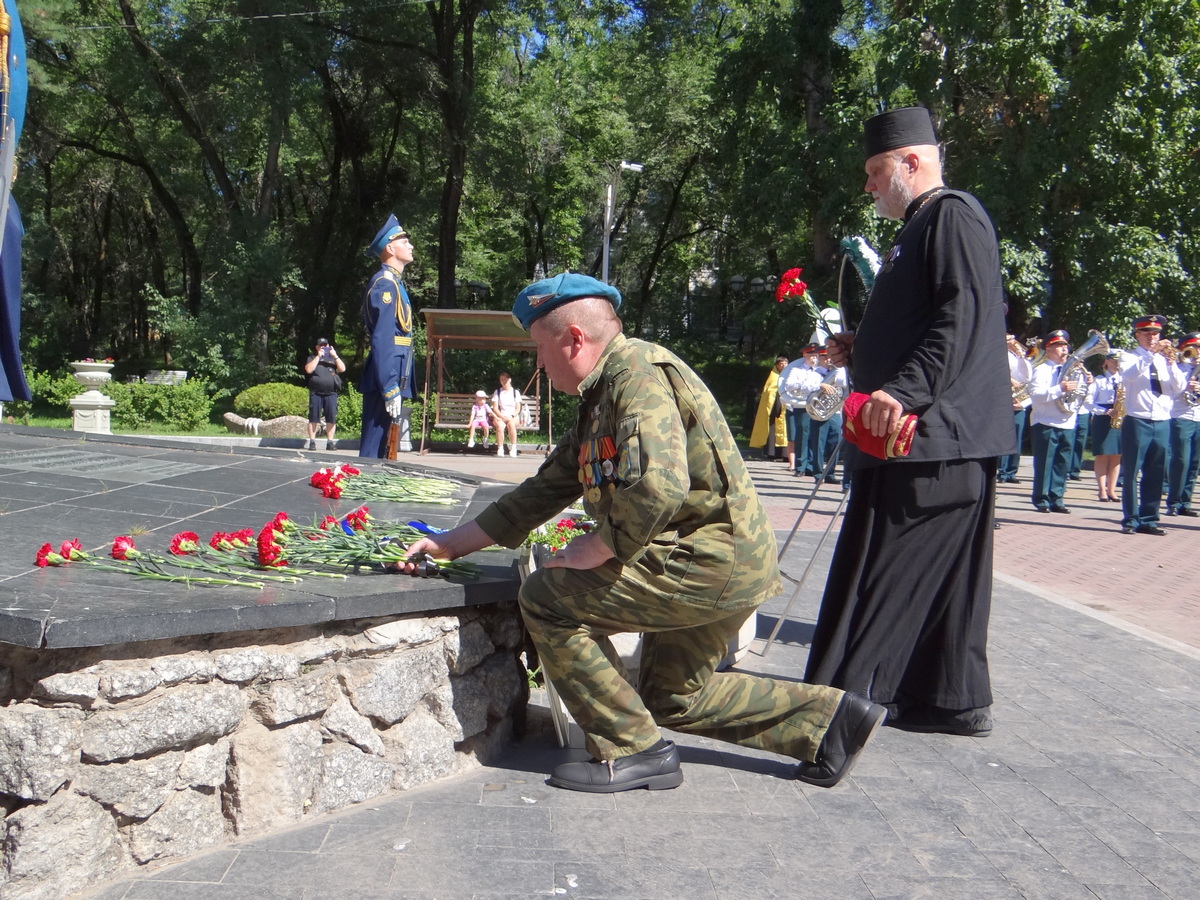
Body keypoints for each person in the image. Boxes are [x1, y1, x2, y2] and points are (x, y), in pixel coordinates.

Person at [399, 272, 886, 793]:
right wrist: (453, 543)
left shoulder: (637, 378)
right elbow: (548, 487)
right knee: (674, 697)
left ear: (574, 339)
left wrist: (601, 545)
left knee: (547, 599)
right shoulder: (607, 390)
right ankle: (830, 723)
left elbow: (661, 484)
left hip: (705, 564)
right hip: (717, 561)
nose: (538, 363)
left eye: (540, 348)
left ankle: (635, 750)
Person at [806, 106, 1014, 738]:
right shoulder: (919, 227)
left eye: (875, 171)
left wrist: (901, 391)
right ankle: (951, 699)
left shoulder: (951, 214)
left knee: (888, 576)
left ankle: (844, 710)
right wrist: (861, 345)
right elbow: (924, 320)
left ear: (911, 162)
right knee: (948, 584)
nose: (868, 185)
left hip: (930, 440)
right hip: (926, 439)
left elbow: (962, 318)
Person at [1118, 315, 1187, 534]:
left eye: (1155, 334)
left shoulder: (1165, 360)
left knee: (1157, 472)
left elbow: (1178, 387)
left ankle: (1149, 519)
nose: (1152, 337)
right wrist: (1151, 355)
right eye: (1147, 333)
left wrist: (1172, 364)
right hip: (1137, 419)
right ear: (1137, 335)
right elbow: (1129, 375)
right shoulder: (1128, 357)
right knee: (1131, 472)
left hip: (1162, 420)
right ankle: (1130, 519)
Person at [358, 214, 415, 458]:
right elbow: (382, 339)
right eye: (405, 242)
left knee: (383, 450)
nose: (411, 245)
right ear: (390, 248)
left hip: (395, 370)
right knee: (372, 450)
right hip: (387, 374)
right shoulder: (385, 284)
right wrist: (390, 386)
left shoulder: (396, 283)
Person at [1028, 330, 1083, 514]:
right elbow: (1036, 395)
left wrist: (1087, 384)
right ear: (1048, 348)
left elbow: (1082, 397)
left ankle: (1057, 496)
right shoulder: (1042, 370)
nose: (1064, 349)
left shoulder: (1075, 370)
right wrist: (1059, 389)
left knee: (1062, 462)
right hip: (1046, 422)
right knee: (1044, 462)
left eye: (1065, 345)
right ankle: (1041, 498)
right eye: (1059, 346)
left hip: (1067, 421)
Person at [1166, 332, 1200, 517]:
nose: (1198, 351)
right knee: (1181, 460)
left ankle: (1185, 502)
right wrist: (1186, 386)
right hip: (1181, 417)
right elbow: (1169, 393)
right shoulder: (1178, 368)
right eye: (1195, 347)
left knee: (1195, 463)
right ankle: (1173, 501)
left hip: (1199, 418)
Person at [777, 346, 823, 476]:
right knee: (802, 436)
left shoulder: (821, 371)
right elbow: (789, 385)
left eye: (816, 354)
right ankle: (800, 466)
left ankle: (812, 466)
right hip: (801, 406)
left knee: (815, 436)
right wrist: (811, 386)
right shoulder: (796, 370)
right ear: (804, 355)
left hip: (817, 406)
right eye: (811, 354)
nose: (814, 356)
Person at [998, 334, 1034, 484]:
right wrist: (1009, 379)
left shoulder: (1019, 356)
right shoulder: (998, 354)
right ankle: (1001, 470)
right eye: (1008, 340)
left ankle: (1011, 471)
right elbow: (995, 370)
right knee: (1003, 436)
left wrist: (1021, 355)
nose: (1012, 342)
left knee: (1016, 437)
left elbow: (1027, 377)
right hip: (1002, 400)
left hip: (1019, 401)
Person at [1089, 351, 1123, 502]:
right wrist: (1104, 411)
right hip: (1103, 417)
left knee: (1117, 455)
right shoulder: (1099, 380)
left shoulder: (1125, 379)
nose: (1117, 364)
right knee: (1102, 454)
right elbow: (1088, 401)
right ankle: (1102, 489)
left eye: (1119, 361)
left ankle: (1112, 489)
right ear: (1107, 361)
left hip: (1120, 416)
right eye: (1114, 361)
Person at [303, 338, 346, 450]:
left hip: (331, 393)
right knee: (313, 417)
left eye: (325, 345)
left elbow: (342, 369)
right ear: (317, 347)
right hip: (316, 393)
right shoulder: (312, 358)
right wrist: (318, 356)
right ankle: (312, 441)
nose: (323, 347)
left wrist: (335, 355)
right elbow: (308, 370)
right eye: (320, 345)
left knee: (331, 418)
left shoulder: (332, 359)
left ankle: (330, 442)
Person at [749, 356, 788, 459]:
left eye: (785, 364)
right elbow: (769, 390)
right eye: (781, 364)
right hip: (774, 407)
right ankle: (772, 453)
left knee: (786, 430)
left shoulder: (790, 375)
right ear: (777, 366)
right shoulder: (773, 377)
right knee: (772, 430)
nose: (783, 366)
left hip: (786, 407)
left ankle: (785, 454)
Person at [490, 371, 523, 457]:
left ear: (510, 380)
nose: (503, 381)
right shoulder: (497, 392)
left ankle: (513, 448)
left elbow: (518, 408)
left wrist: (511, 416)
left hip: (513, 416)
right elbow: (495, 408)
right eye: (501, 380)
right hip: (501, 415)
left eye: (505, 379)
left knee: (511, 425)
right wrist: (502, 417)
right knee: (500, 426)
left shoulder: (516, 392)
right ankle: (500, 448)